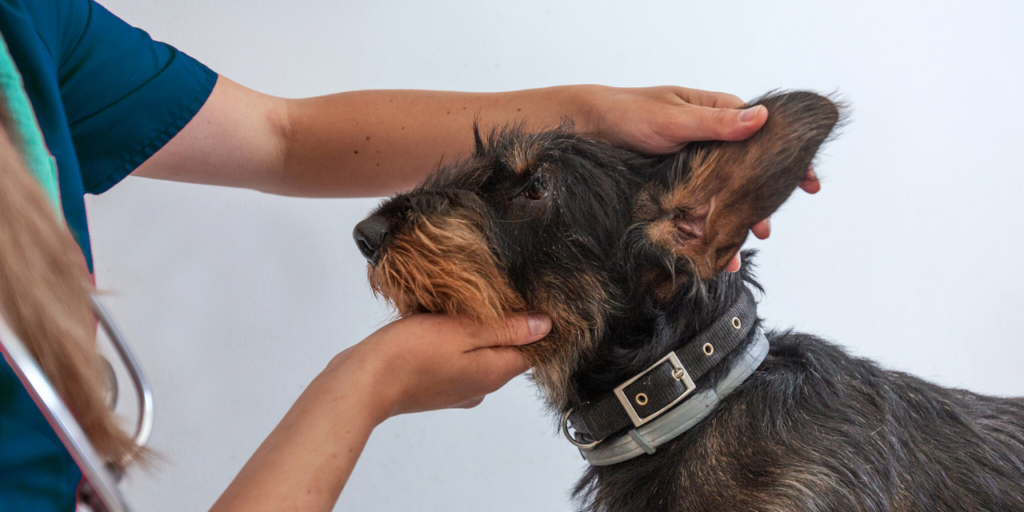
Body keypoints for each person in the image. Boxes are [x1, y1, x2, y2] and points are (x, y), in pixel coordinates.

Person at [0, 0, 819, 510]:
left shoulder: (28, 21)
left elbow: (281, 137)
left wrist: (586, 111)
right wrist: (368, 385)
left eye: (528, 192)